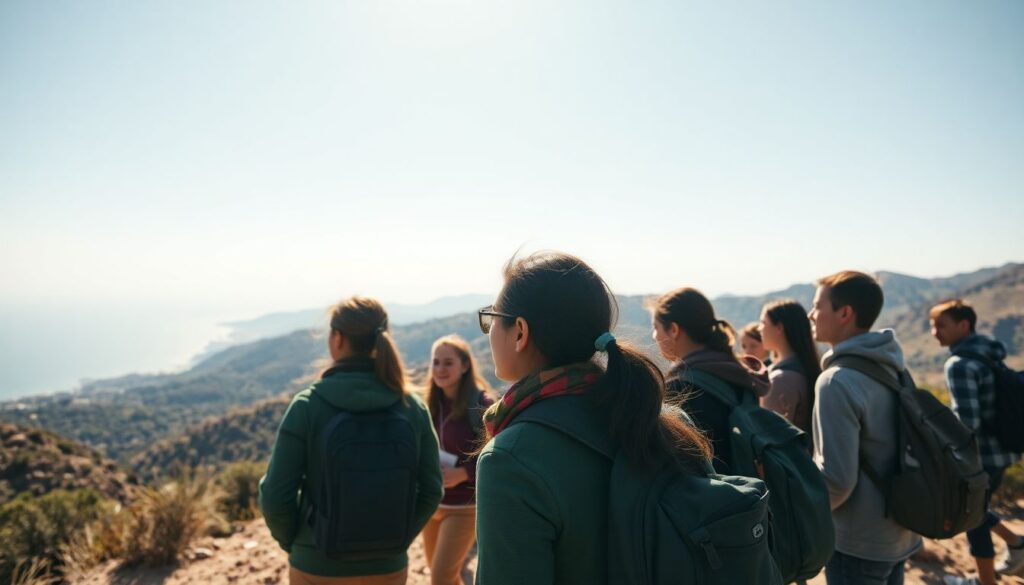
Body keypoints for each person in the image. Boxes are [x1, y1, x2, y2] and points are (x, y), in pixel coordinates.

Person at [474, 252, 712, 585]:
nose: (488, 331)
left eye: (491, 318)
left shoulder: (510, 459)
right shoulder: (668, 422)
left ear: (520, 332)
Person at [259, 296, 443, 585]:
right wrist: (397, 540)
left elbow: (275, 496)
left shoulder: (307, 406)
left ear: (338, 338)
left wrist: (297, 543)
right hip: (388, 567)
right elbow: (431, 490)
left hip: (316, 566)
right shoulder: (412, 408)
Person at [809, 271, 921, 585]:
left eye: (817, 306)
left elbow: (837, 480)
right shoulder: (893, 367)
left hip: (857, 542)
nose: (811, 314)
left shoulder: (836, 381)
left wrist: (805, 513)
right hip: (898, 530)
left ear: (845, 313)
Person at [930, 300, 1024, 585]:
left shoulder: (959, 364)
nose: (935, 332)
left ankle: (987, 580)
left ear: (963, 325)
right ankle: (1015, 544)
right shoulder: (989, 354)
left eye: (941, 325)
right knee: (975, 510)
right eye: (932, 326)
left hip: (981, 457)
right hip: (1005, 451)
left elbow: (966, 422)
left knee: (971, 516)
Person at [650, 287, 769, 474]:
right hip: (750, 488)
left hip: (712, 491)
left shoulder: (681, 388)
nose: (654, 335)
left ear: (673, 330)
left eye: (656, 327)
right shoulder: (738, 374)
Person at [421, 335, 494, 585]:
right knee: (443, 576)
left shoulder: (481, 404)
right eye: (436, 362)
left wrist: (464, 473)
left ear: (464, 365)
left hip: (465, 507)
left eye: (448, 363)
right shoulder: (429, 403)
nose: (440, 369)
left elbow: (497, 454)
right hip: (433, 502)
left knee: (440, 577)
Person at [758, 299, 821, 434]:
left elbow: (769, 436)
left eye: (763, 323)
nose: (759, 328)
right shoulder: (804, 367)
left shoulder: (781, 380)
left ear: (779, 328)